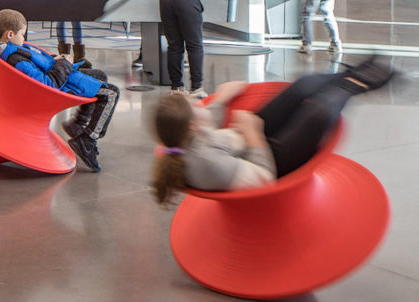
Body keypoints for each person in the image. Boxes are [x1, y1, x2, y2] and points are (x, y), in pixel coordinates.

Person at [150, 57, 395, 203]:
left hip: (244, 145)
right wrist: (254, 135)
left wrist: (222, 99)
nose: (199, 103)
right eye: (195, 106)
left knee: (300, 88)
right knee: (318, 112)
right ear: (191, 124)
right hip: (267, 163)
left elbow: (207, 129)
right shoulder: (207, 165)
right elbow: (263, 179)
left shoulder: (187, 136)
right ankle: (356, 84)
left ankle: (348, 74)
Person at [0, 9, 120, 172]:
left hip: (57, 74)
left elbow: (35, 63)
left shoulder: (5, 49)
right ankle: (88, 140)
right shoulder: (17, 60)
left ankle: (78, 123)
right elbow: (48, 84)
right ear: (10, 34)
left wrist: (55, 59)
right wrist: (65, 64)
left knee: (100, 75)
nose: (24, 39)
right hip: (58, 86)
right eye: (22, 34)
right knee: (111, 93)